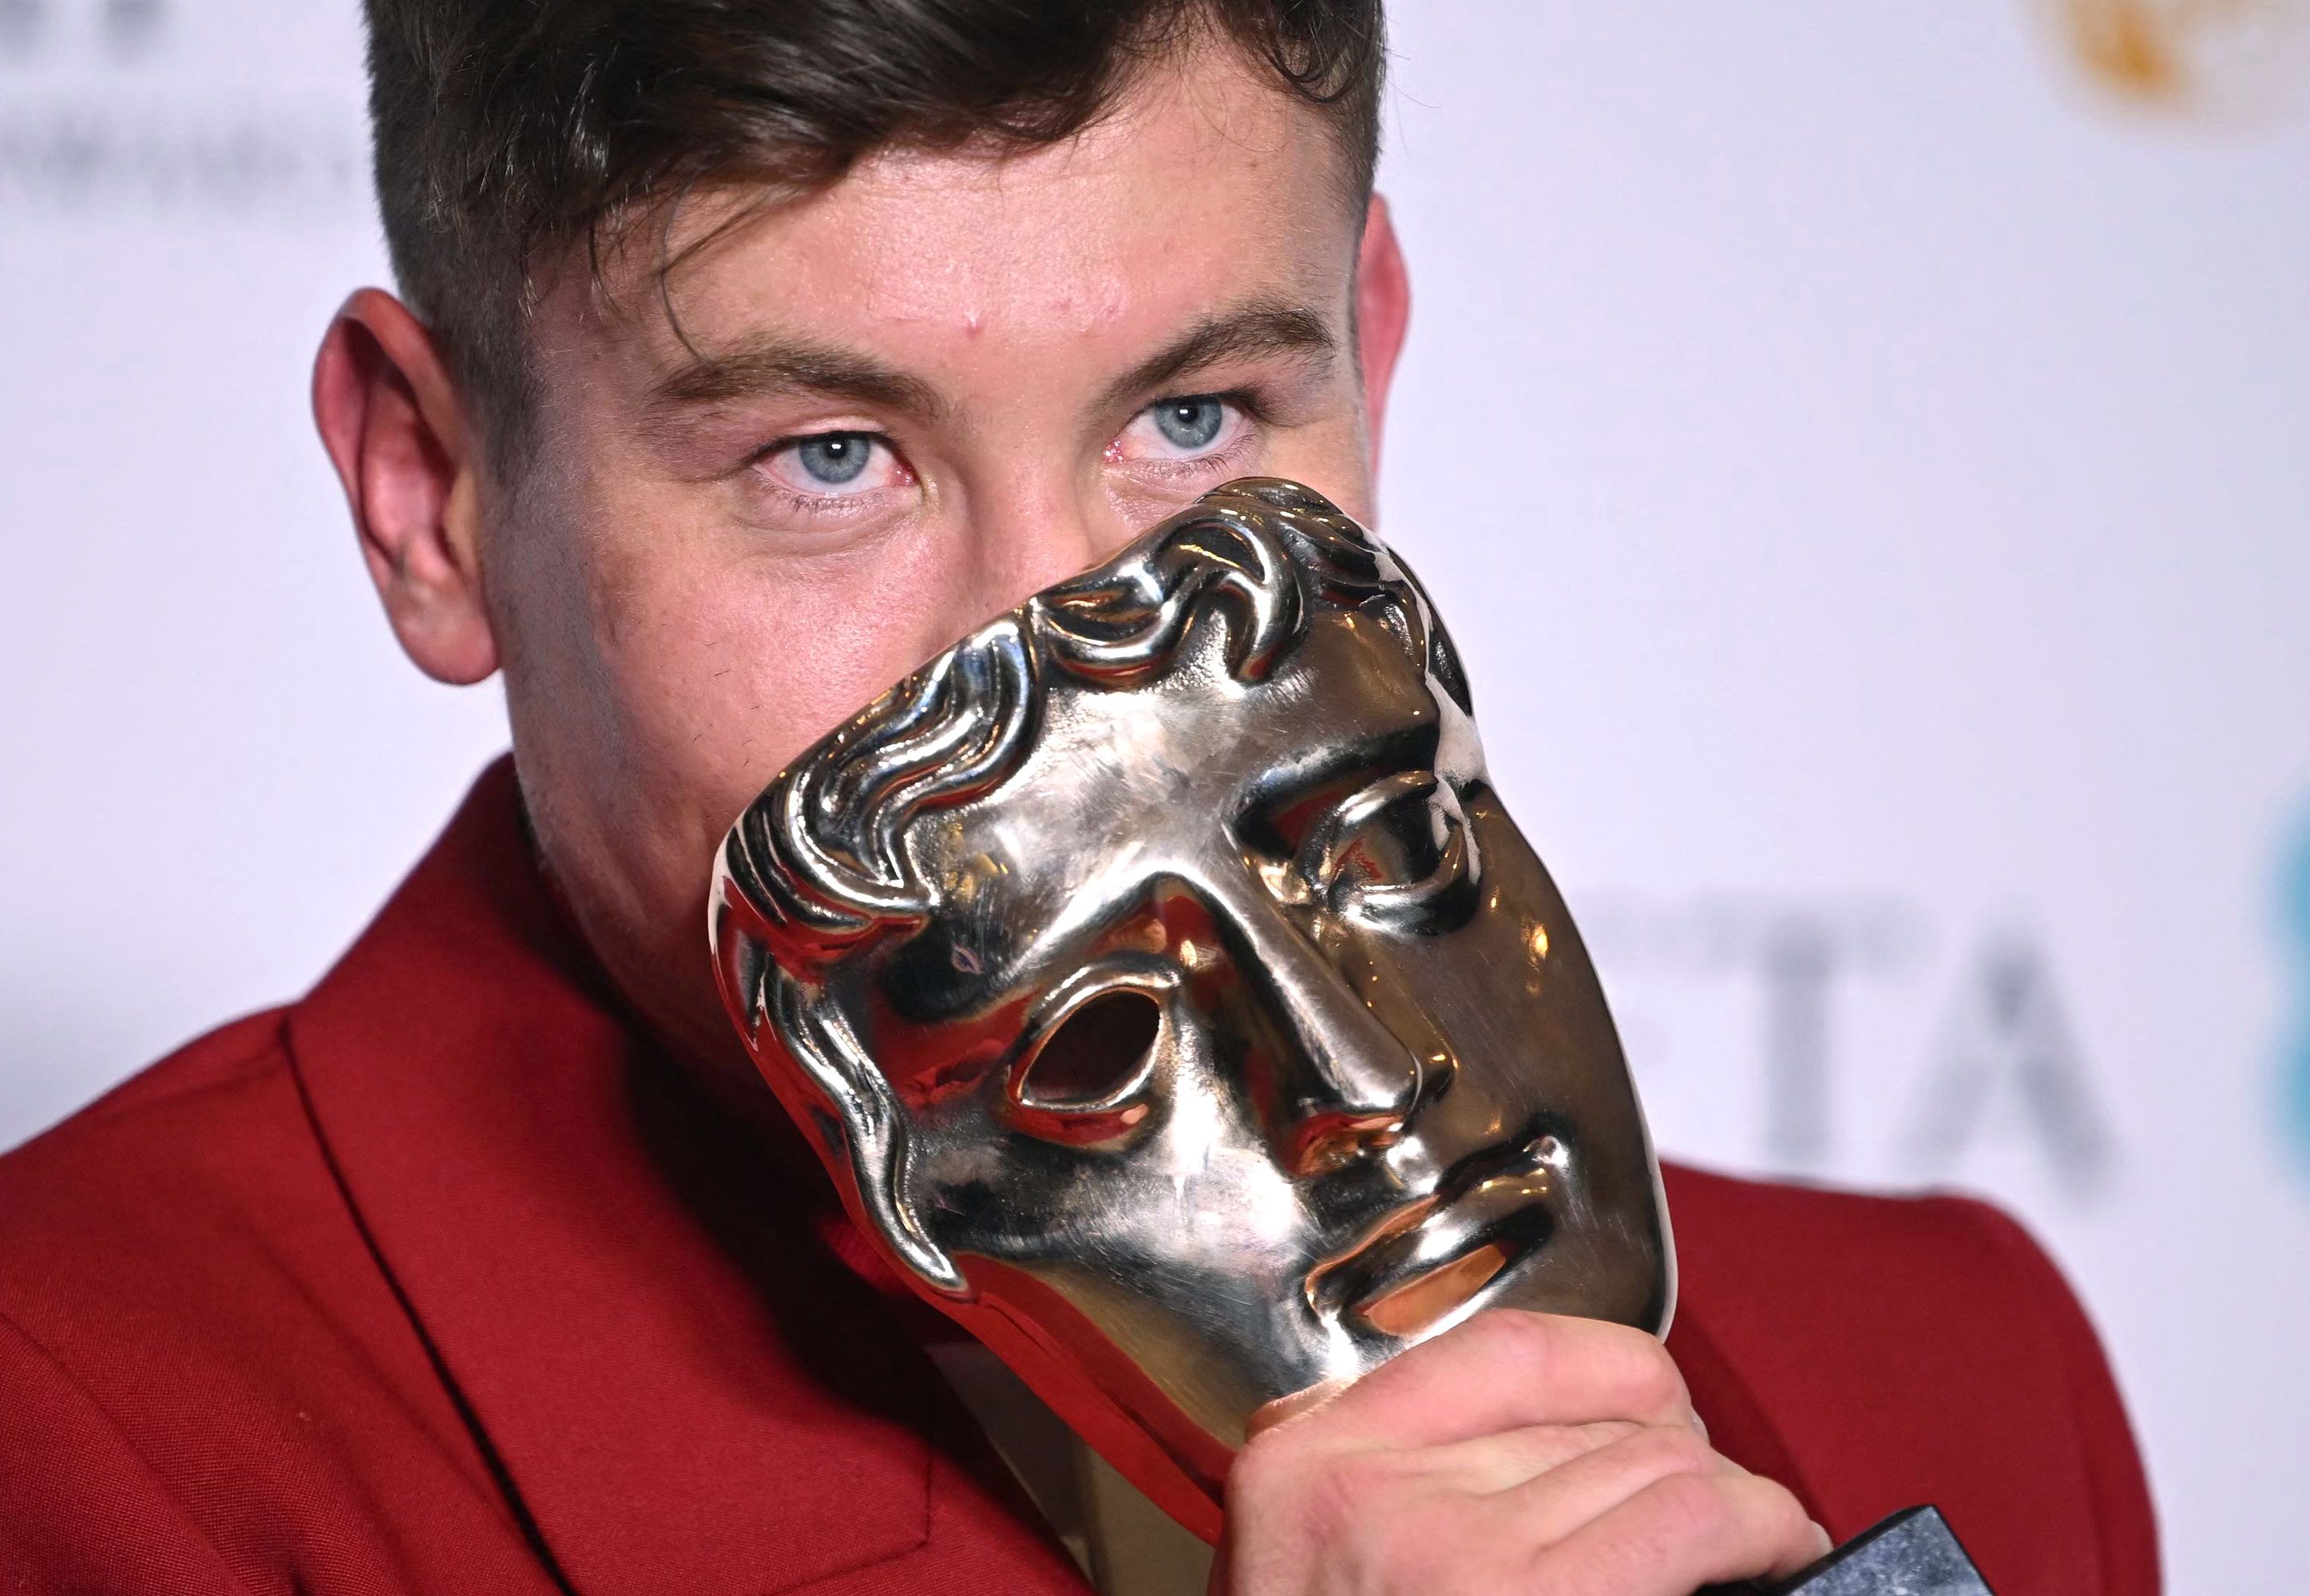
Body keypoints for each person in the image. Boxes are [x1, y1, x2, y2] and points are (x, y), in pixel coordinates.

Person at [0, 4, 2160, 1594]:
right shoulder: (87, 1433)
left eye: (1199, 418)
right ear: (431, 494)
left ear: (1369, 361)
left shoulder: (1949, 1372)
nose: (1066, 677)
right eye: (827, 460)